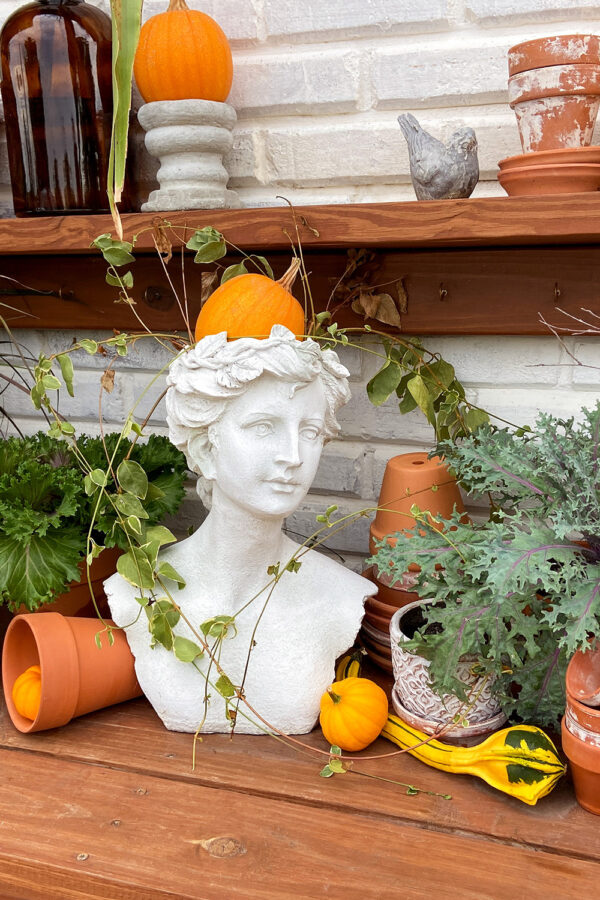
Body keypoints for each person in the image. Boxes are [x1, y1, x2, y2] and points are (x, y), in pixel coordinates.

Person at [105, 325, 376, 734]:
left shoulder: (343, 596)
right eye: (264, 427)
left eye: (309, 432)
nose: (293, 456)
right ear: (204, 450)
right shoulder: (137, 592)